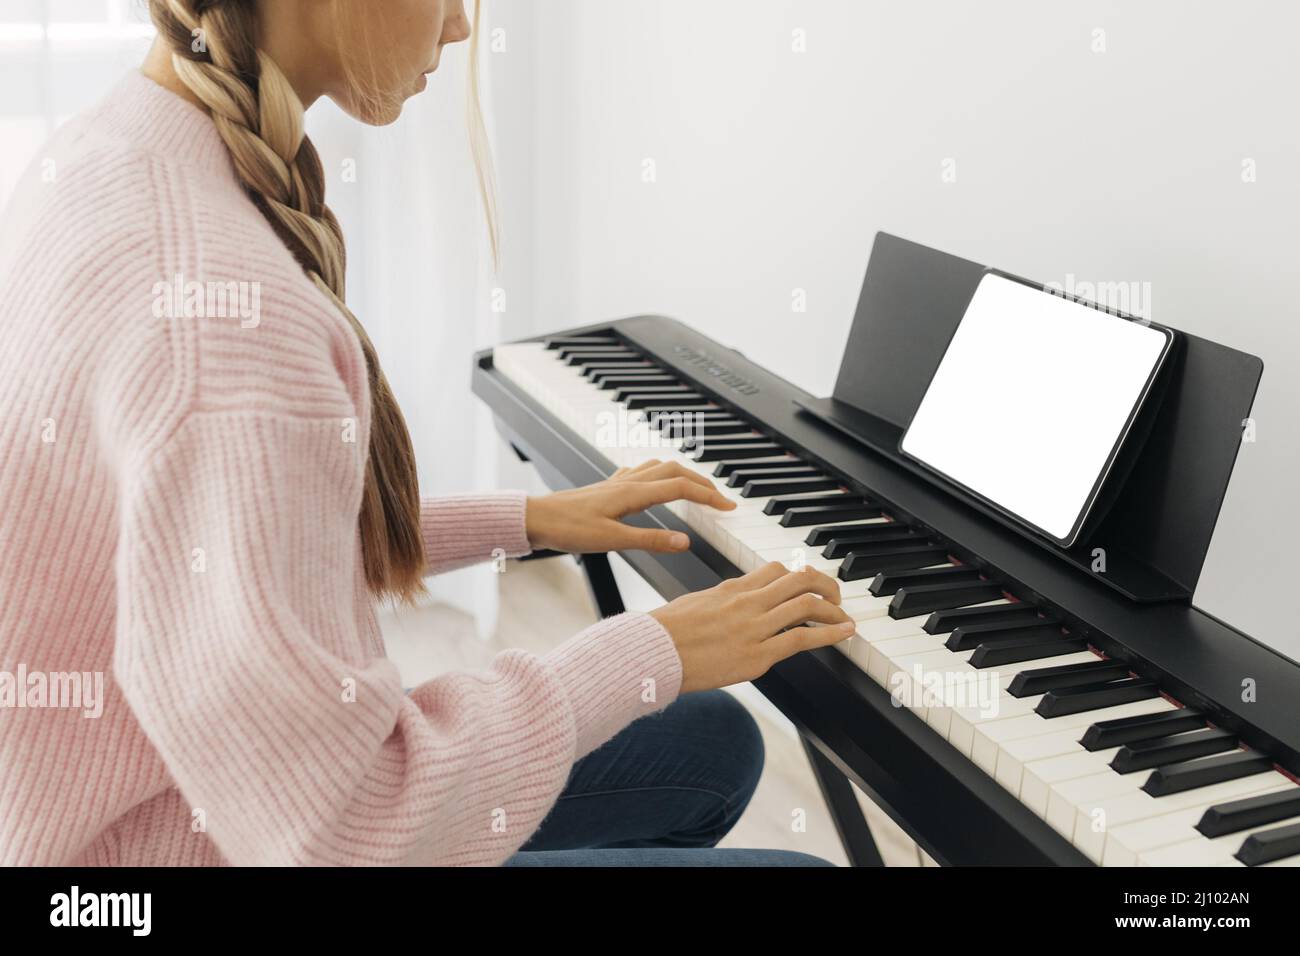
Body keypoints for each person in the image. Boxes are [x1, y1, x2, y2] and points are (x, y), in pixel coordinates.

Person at [0, 0, 851, 866]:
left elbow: (229, 549)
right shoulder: (227, 316)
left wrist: (527, 521)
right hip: (181, 851)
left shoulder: (112, 147)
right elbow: (345, 830)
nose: (459, 27)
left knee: (712, 743)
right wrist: (653, 645)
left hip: (153, 803)